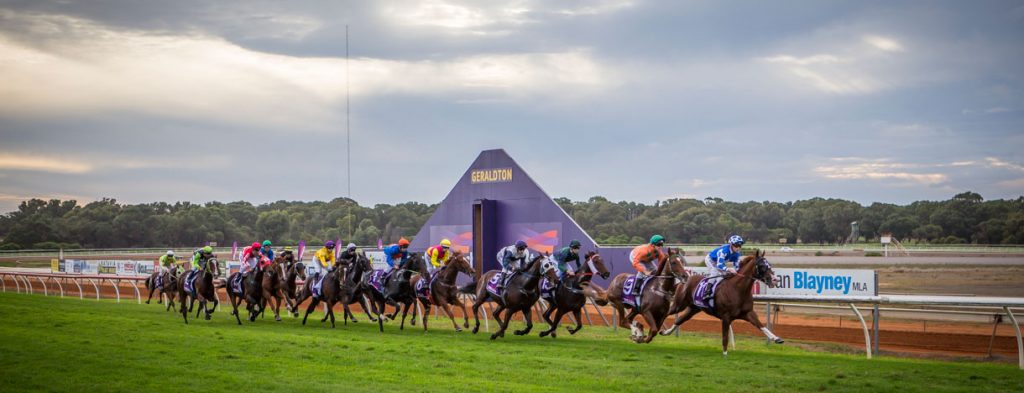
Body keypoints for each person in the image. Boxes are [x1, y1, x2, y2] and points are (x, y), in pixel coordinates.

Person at [702, 235, 744, 302]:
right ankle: (707, 292)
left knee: (725, 275)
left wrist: (736, 271)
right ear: (731, 245)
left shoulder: (737, 254)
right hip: (710, 260)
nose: (738, 248)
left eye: (740, 246)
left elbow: (736, 266)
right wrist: (728, 269)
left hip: (719, 262)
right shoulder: (723, 251)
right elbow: (719, 265)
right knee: (714, 272)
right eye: (736, 245)